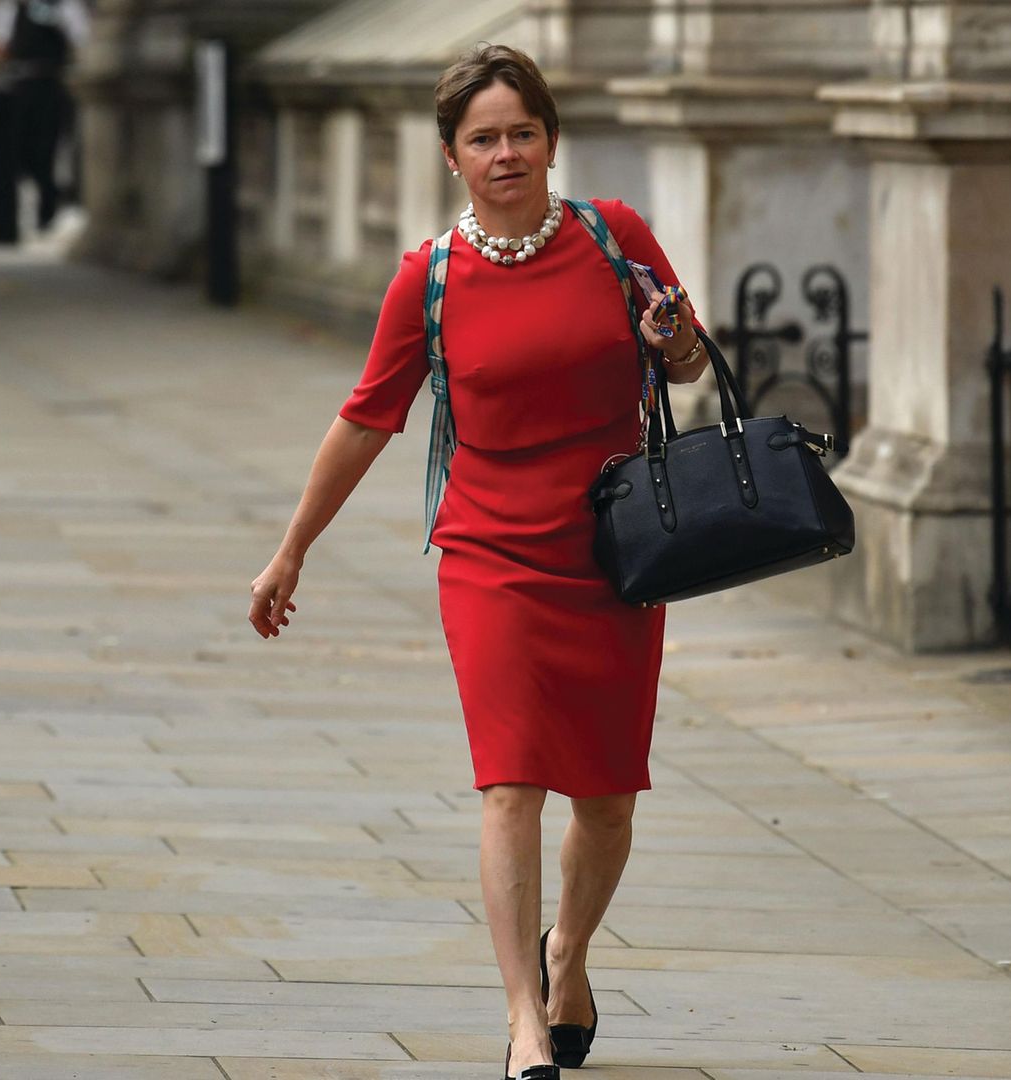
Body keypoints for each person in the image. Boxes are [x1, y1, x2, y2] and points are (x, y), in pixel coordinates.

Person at [247, 44, 710, 1080]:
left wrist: (670, 332)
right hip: (491, 552)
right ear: (452, 156)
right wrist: (292, 550)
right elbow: (367, 420)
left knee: (607, 795)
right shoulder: (432, 276)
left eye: (523, 132)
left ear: (550, 138)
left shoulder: (612, 235)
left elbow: (687, 360)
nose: (507, 153)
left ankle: (569, 958)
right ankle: (523, 1023)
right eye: (483, 138)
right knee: (511, 785)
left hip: (616, 550)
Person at [0, 0, 89, 232]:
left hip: (51, 84)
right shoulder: (12, 5)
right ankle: (50, 191)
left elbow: (80, 37)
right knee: (20, 151)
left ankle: (47, 206)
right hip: (22, 84)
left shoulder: (64, 5)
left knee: (46, 148)